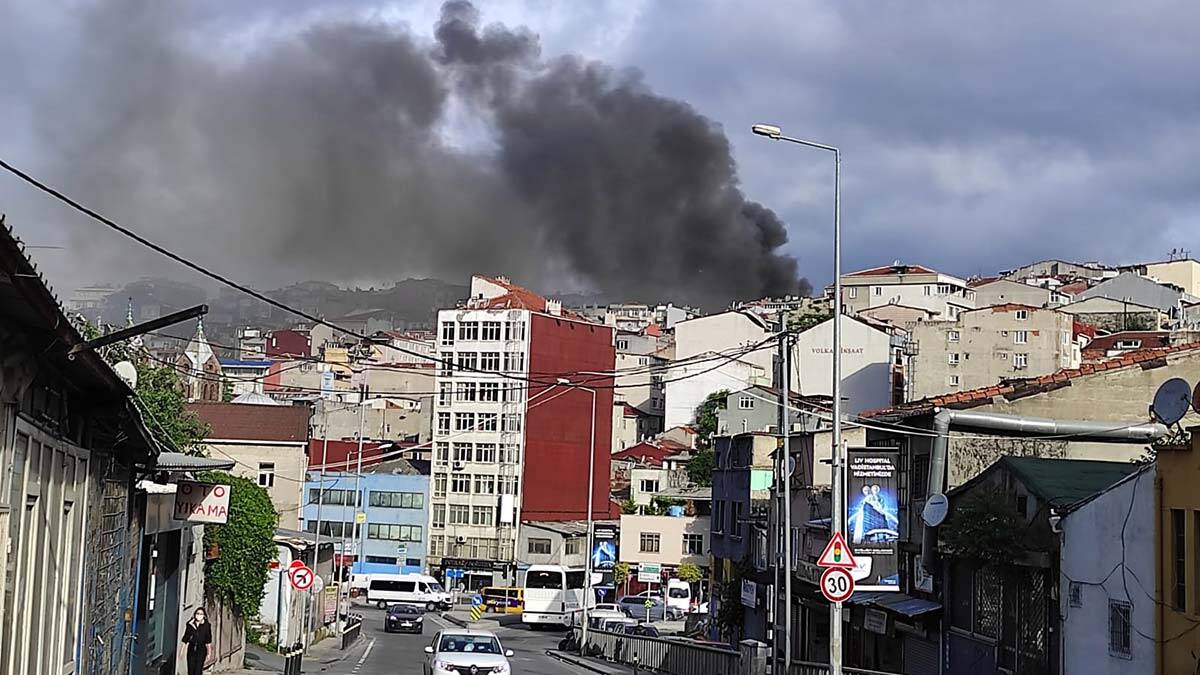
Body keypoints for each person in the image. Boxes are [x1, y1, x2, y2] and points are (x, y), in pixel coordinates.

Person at [181, 608, 212, 675]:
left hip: (201, 650)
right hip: (191, 649)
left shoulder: (206, 626)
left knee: (198, 670)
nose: (199, 615)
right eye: (197, 613)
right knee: (191, 670)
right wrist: (181, 651)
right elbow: (185, 638)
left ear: (204, 615)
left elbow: (208, 640)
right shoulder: (190, 625)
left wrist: (209, 653)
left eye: (201, 614)